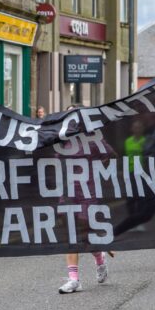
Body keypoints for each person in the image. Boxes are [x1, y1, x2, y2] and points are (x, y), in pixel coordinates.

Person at [57, 106, 111, 294]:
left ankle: (99, 257)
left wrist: (95, 169)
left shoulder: (93, 138)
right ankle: (74, 280)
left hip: (87, 192)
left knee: (85, 232)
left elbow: (110, 155)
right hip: (67, 192)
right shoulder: (61, 139)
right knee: (71, 233)